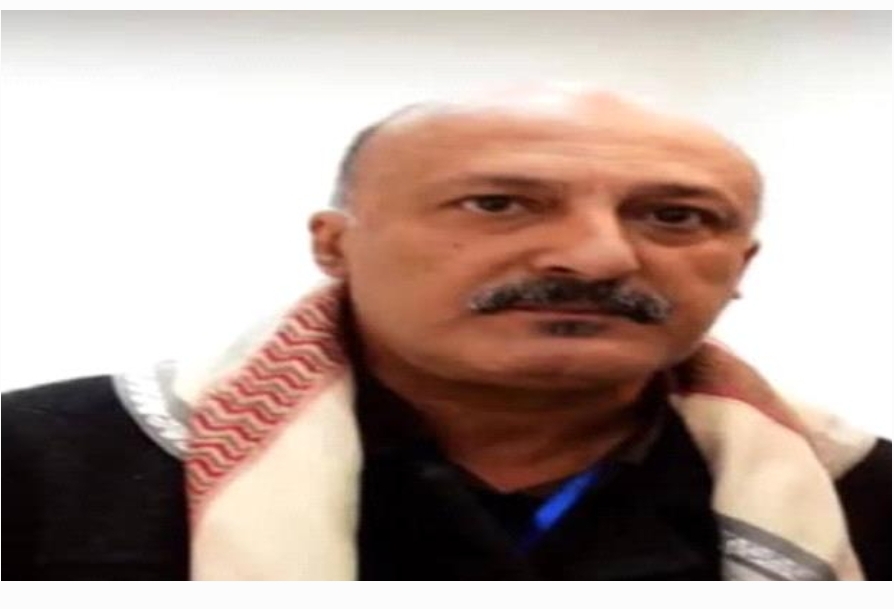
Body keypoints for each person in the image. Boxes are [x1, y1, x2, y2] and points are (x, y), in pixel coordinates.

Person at [2, 85, 890, 581]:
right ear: (334, 244)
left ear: (741, 264)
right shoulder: (43, 467)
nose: (598, 257)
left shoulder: (859, 495)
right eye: (499, 204)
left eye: (675, 217)